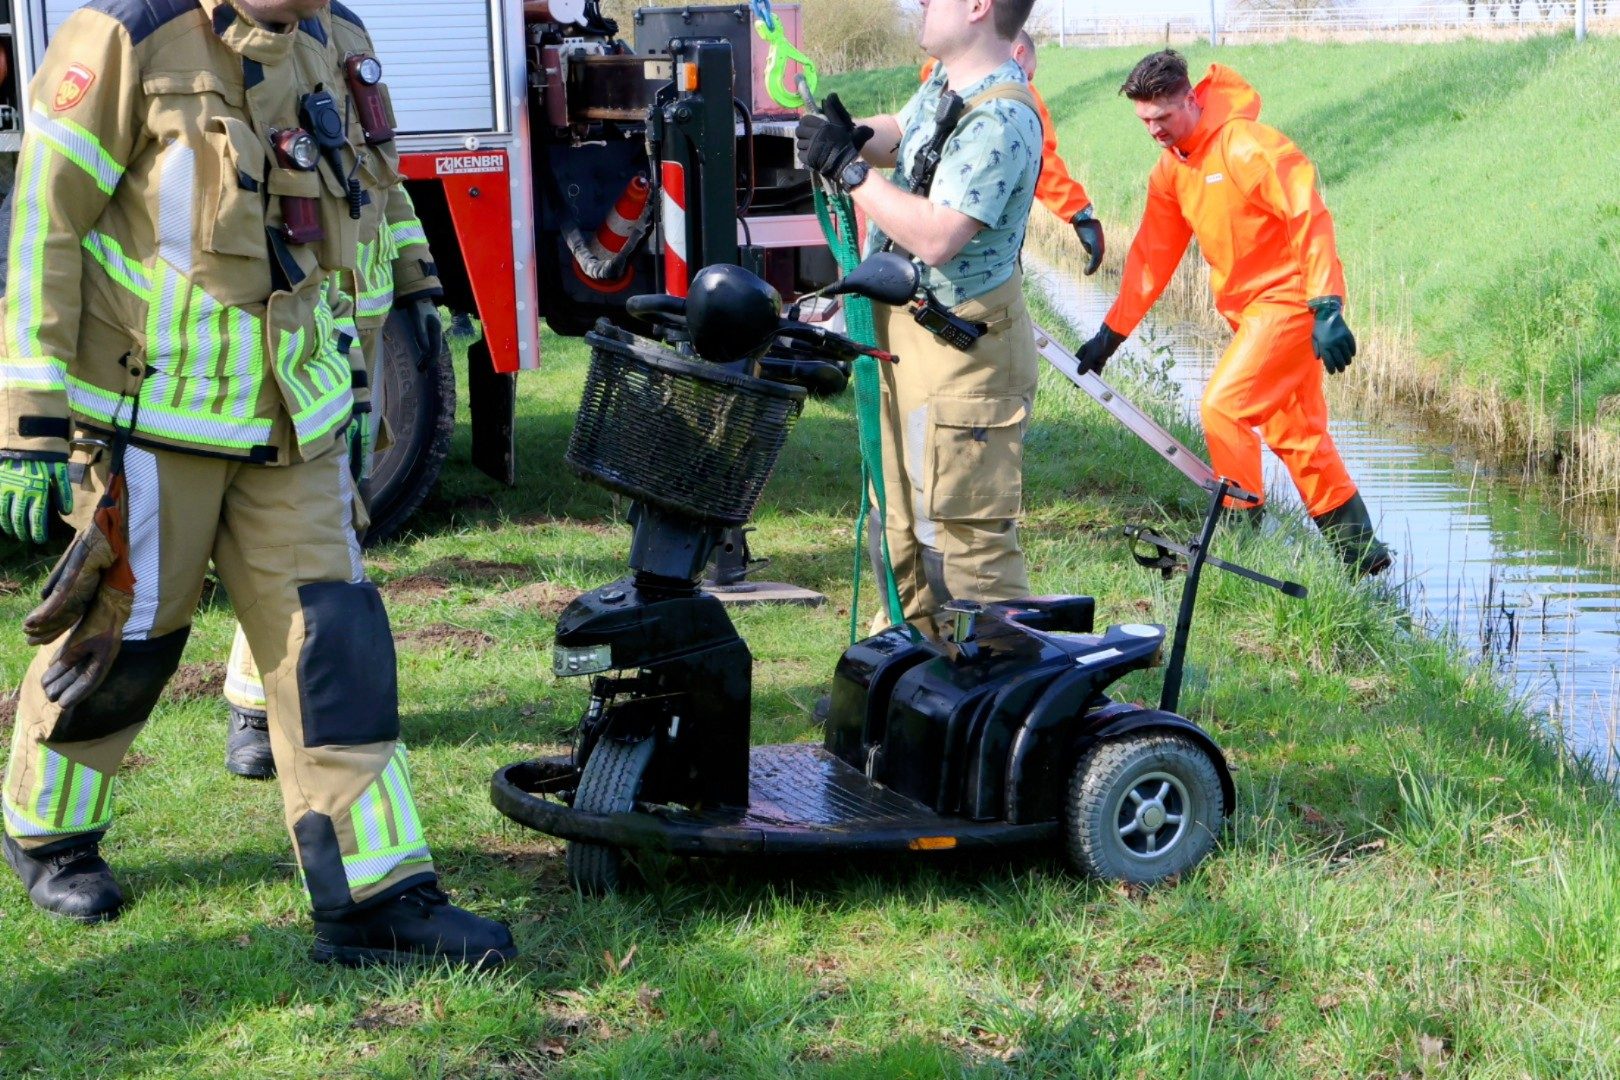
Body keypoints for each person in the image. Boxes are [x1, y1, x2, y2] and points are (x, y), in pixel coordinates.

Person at [0, 0, 514, 968]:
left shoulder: (329, 39)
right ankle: (46, 831)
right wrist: (26, 419)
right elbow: (44, 222)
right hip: (148, 418)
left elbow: (360, 201)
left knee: (336, 648)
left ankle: (373, 896)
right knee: (127, 640)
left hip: (294, 417)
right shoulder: (124, 36)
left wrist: (368, 366)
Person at [221, 10, 446, 778]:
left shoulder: (348, 29)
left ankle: (277, 698)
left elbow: (383, 174)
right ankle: (258, 713)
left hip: (367, 319)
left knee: (338, 521)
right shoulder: (260, 36)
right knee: (294, 529)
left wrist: (417, 280)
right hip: (309, 329)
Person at [1074, 50, 1390, 576]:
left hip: (1290, 303)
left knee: (1223, 407)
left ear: (1191, 99)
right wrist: (1110, 335)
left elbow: (1307, 214)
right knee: (1296, 432)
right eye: (1144, 120)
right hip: (1249, 316)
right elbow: (1152, 258)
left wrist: (1327, 304)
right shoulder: (1171, 172)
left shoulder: (1245, 145)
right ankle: (1362, 558)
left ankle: (1242, 533)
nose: (1154, 129)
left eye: (1163, 117)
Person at [796, 0, 1043, 639]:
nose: (921, 6)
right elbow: (904, 135)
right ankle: (906, 665)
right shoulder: (948, 82)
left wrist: (848, 173)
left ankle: (996, 696)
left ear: (978, 7)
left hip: (963, 348)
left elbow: (937, 237)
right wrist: (852, 135)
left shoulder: (1003, 117)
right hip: (906, 329)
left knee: (964, 536)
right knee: (898, 511)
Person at [921, 30, 1104, 274]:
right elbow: (1039, 155)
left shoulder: (937, 75)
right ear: (1019, 55)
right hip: (975, 253)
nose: (1029, 83)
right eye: (1029, 75)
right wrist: (1080, 213)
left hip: (920, 225)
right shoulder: (1013, 94)